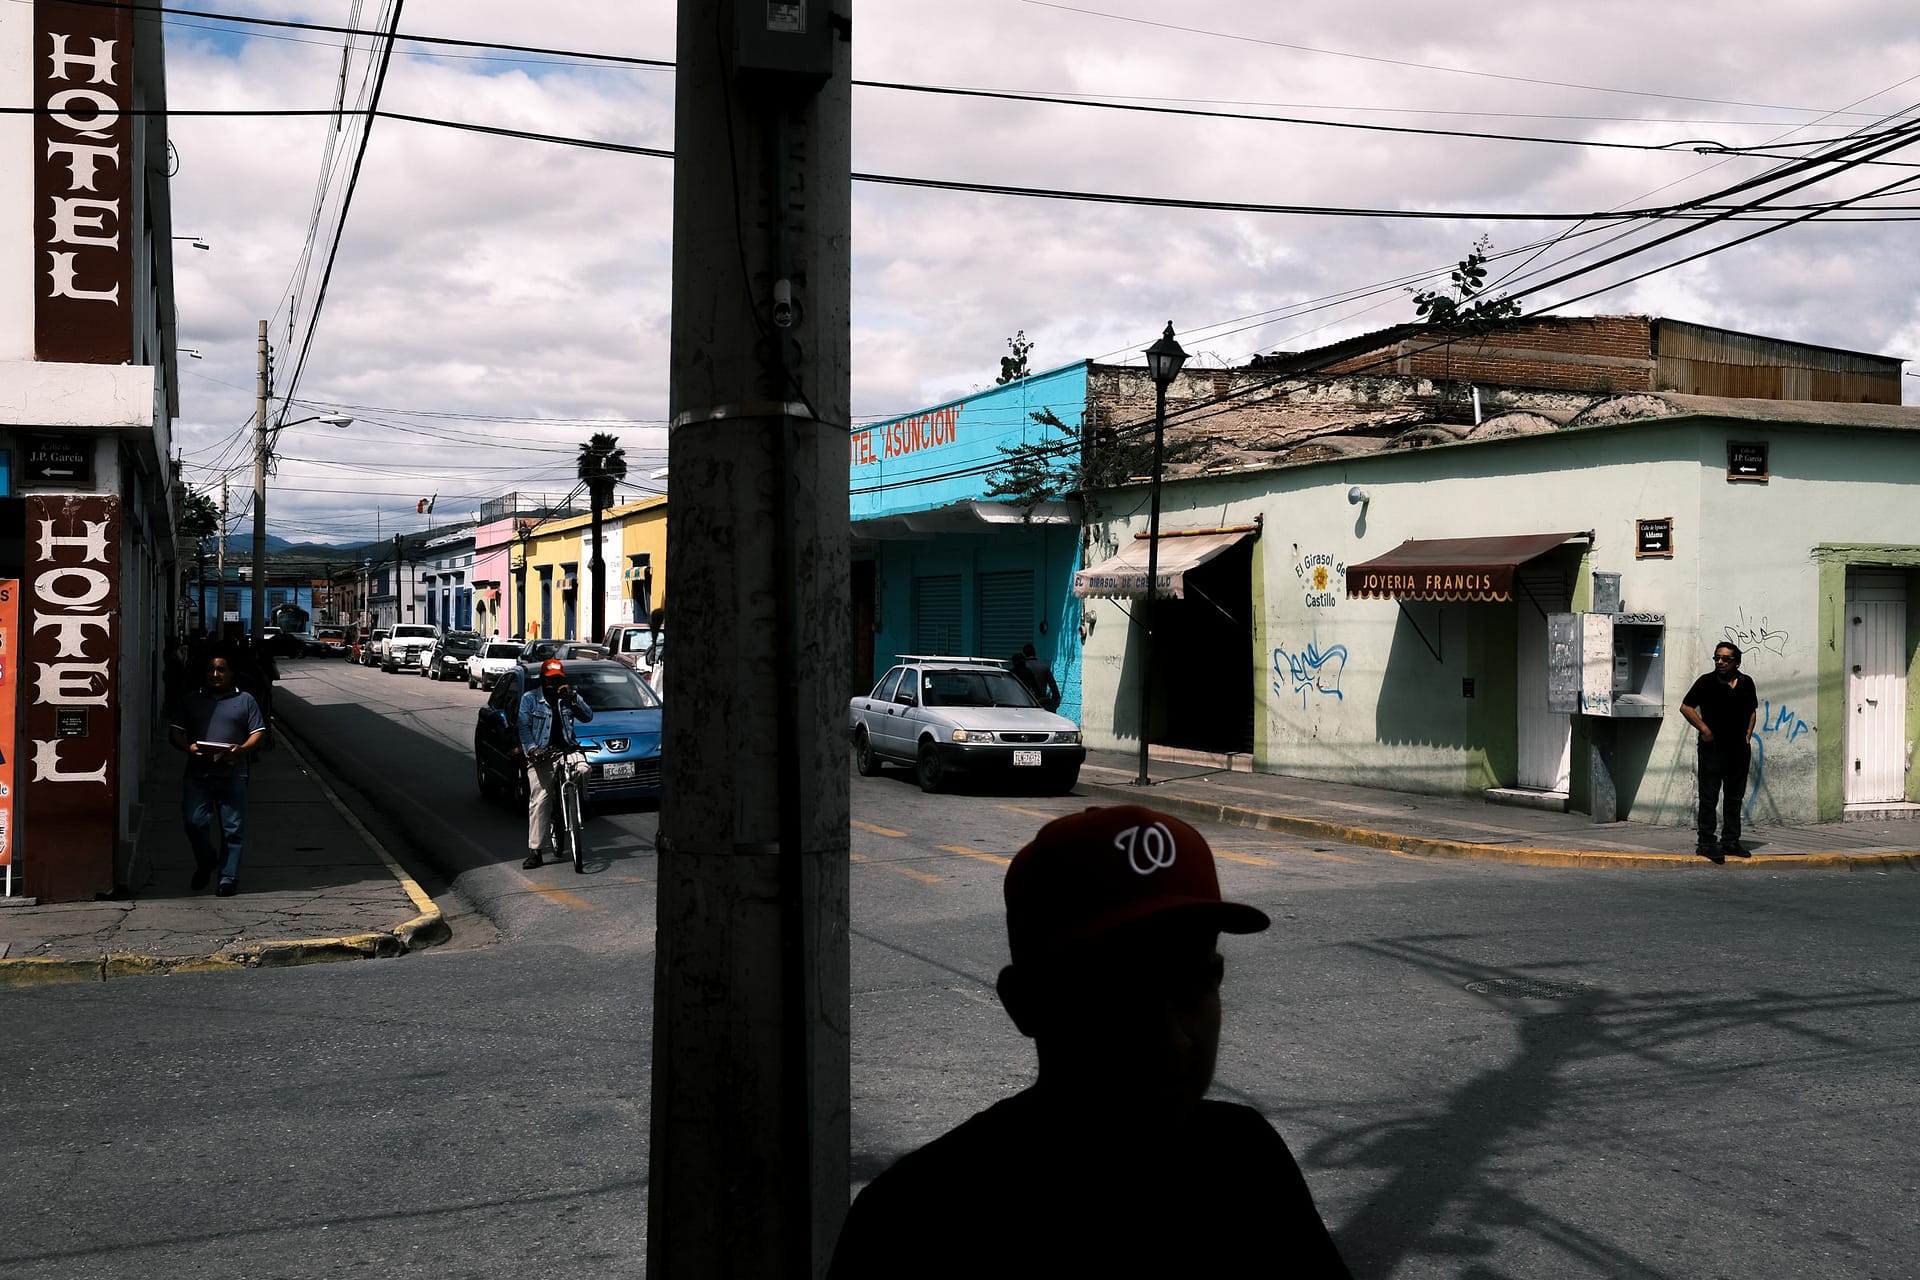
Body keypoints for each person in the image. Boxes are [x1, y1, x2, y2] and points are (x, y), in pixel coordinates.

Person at [828, 805, 1351, 1278]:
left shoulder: (1246, 1164)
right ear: (1025, 1004)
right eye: (1119, 998)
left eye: (1194, 987)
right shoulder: (916, 1224)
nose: (1171, 1040)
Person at [166, 651, 269, 896]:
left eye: (221, 669)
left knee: (233, 828)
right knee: (194, 822)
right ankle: (207, 860)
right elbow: (176, 733)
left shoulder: (245, 701)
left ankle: (228, 878)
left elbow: (259, 733)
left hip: (233, 773)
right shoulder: (191, 700)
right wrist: (188, 746)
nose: (215, 674)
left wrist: (242, 749)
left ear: (232, 674)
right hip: (198, 774)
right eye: (211, 669)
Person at [1680, 640, 1759, 863]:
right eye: (1717, 657)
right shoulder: (1706, 682)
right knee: (1709, 797)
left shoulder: (1746, 683)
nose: (1720, 662)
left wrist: (1748, 734)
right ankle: (1706, 842)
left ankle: (1731, 841)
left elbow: (1752, 710)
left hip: (1739, 750)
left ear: (1737, 662)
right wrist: (1704, 729)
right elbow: (1686, 707)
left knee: (1734, 797)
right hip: (1712, 749)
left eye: (1726, 658)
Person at [518, 657, 594, 869]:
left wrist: (573, 697)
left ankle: (583, 800)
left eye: (558, 679)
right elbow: (523, 727)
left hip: (567, 750)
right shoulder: (530, 699)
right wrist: (533, 749)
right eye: (550, 679)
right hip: (542, 756)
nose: (554, 683)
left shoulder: (567, 698)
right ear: (542, 679)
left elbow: (588, 716)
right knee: (540, 800)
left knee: (583, 768)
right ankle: (535, 851)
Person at [1018, 641, 1060, 712]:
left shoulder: (1021, 668)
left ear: (1024, 655)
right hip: (1040, 704)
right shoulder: (1044, 667)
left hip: (1025, 703)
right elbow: (1053, 686)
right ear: (1035, 653)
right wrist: (1054, 702)